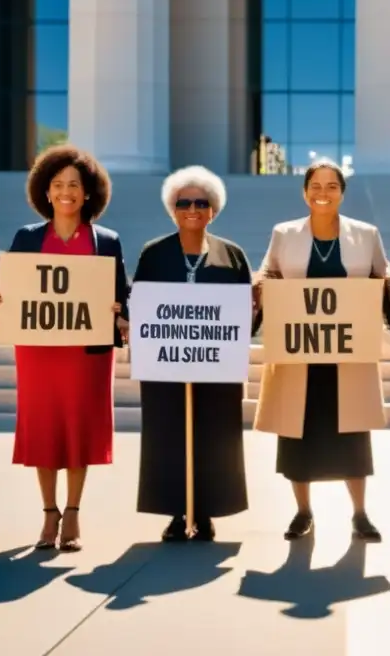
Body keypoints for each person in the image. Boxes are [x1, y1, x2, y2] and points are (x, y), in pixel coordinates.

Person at [0, 144, 129, 553]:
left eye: (75, 184)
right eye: (58, 184)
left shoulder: (107, 241)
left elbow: (121, 294)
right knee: (45, 427)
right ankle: (48, 512)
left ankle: (73, 511)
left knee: (78, 427)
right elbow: (15, 289)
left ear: (89, 193)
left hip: (86, 353)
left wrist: (120, 310)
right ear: (45, 192)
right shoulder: (27, 238)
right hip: (40, 351)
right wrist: (1, 301)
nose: (66, 191)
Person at [254, 160, 390, 542]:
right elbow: (268, 275)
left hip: (347, 355)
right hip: (298, 353)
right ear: (305, 191)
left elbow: (384, 280)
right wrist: (259, 290)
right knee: (297, 437)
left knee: (352, 437)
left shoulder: (365, 235)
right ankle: (303, 513)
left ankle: (359, 514)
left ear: (342, 192)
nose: (323, 192)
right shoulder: (284, 233)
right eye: (316, 185)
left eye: (332, 186)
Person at [132, 166, 257, 542]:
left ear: (213, 210)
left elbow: (248, 309)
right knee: (168, 434)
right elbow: (138, 303)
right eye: (183, 202)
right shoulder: (154, 253)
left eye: (200, 202)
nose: (192, 208)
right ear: (172, 208)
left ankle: (205, 512)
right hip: (165, 363)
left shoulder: (231, 255)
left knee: (216, 437)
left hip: (216, 364)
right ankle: (175, 511)